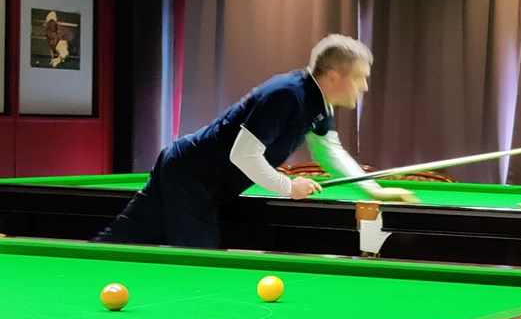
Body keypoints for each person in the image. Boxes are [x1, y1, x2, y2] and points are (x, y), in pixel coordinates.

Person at [95, 34, 411, 248]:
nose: (364, 87)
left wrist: (371, 189)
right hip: (192, 174)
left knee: (122, 239)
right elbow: (244, 155)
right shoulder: (287, 95)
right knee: (197, 260)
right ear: (333, 77)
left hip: (192, 171)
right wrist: (289, 187)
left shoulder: (318, 101)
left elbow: (329, 151)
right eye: (359, 77)